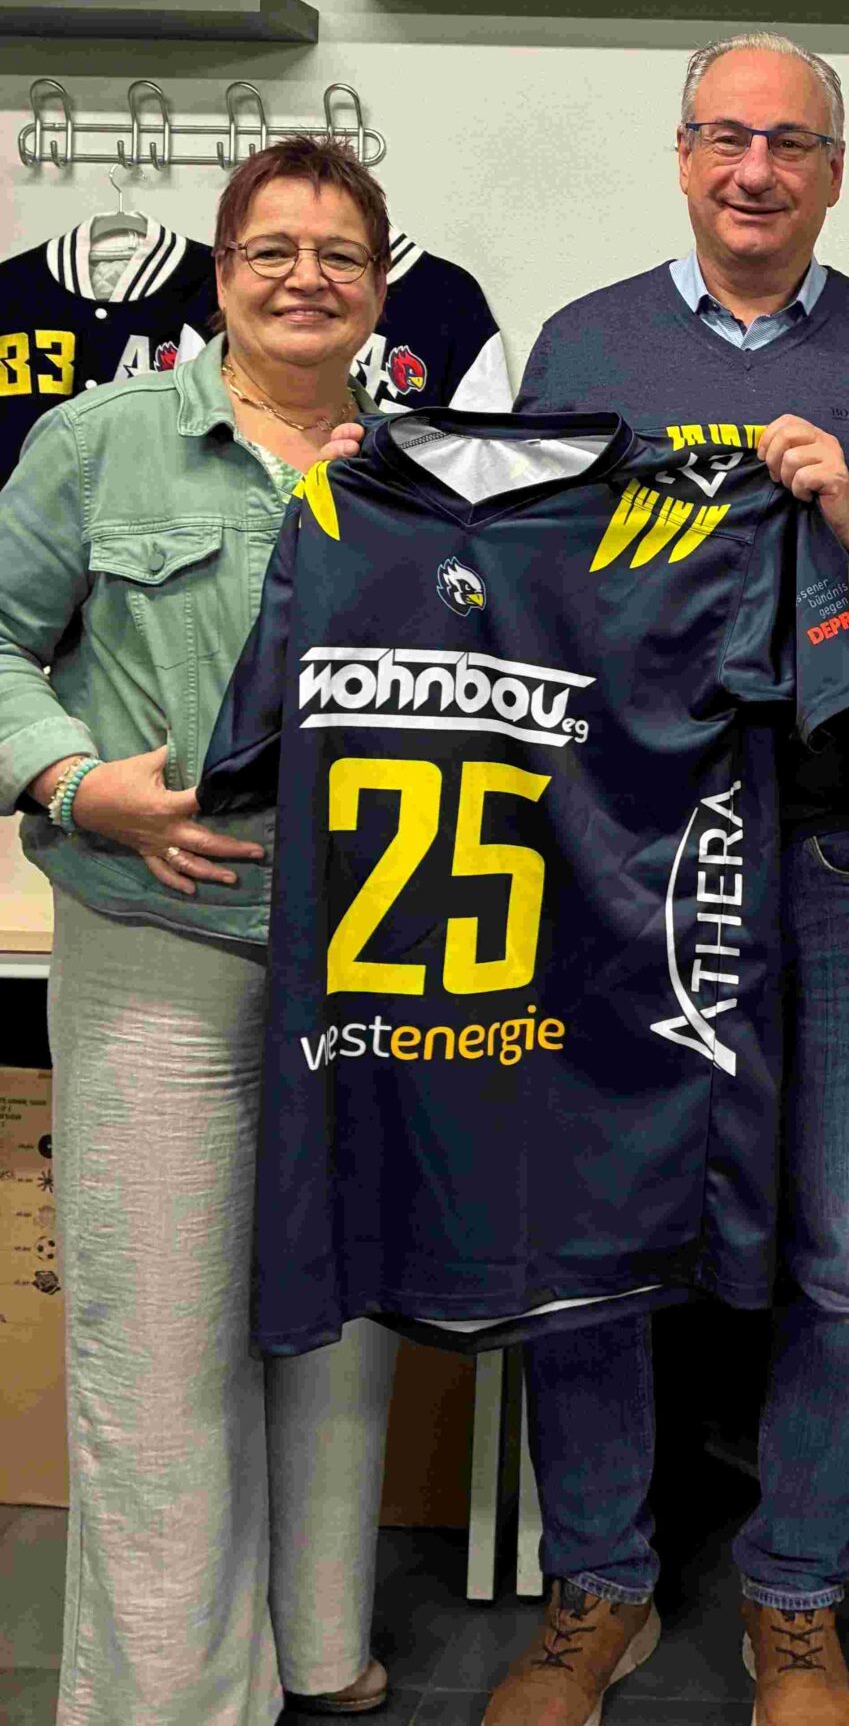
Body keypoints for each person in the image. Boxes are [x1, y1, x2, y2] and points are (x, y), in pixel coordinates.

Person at [482, 32, 849, 1726]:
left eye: (791, 144)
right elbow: (515, 587)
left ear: (836, 171)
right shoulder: (579, 345)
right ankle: (599, 1586)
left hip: (834, 845)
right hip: (621, 851)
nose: (757, 171)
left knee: (845, 1246)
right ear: (682, 155)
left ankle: (795, 1599)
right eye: (727, 138)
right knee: (599, 1223)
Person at [0, 137, 401, 1726]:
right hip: (160, 944)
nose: (307, 277)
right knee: (163, 1351)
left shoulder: (421, 465)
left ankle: (321, 1649)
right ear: (221, 274)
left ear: (380, 285)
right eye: (272, 249)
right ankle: (173, 1702)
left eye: (340, 253)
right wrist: (73, 780)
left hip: (367, 959)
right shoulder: (101, 445)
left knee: (338, 1325)